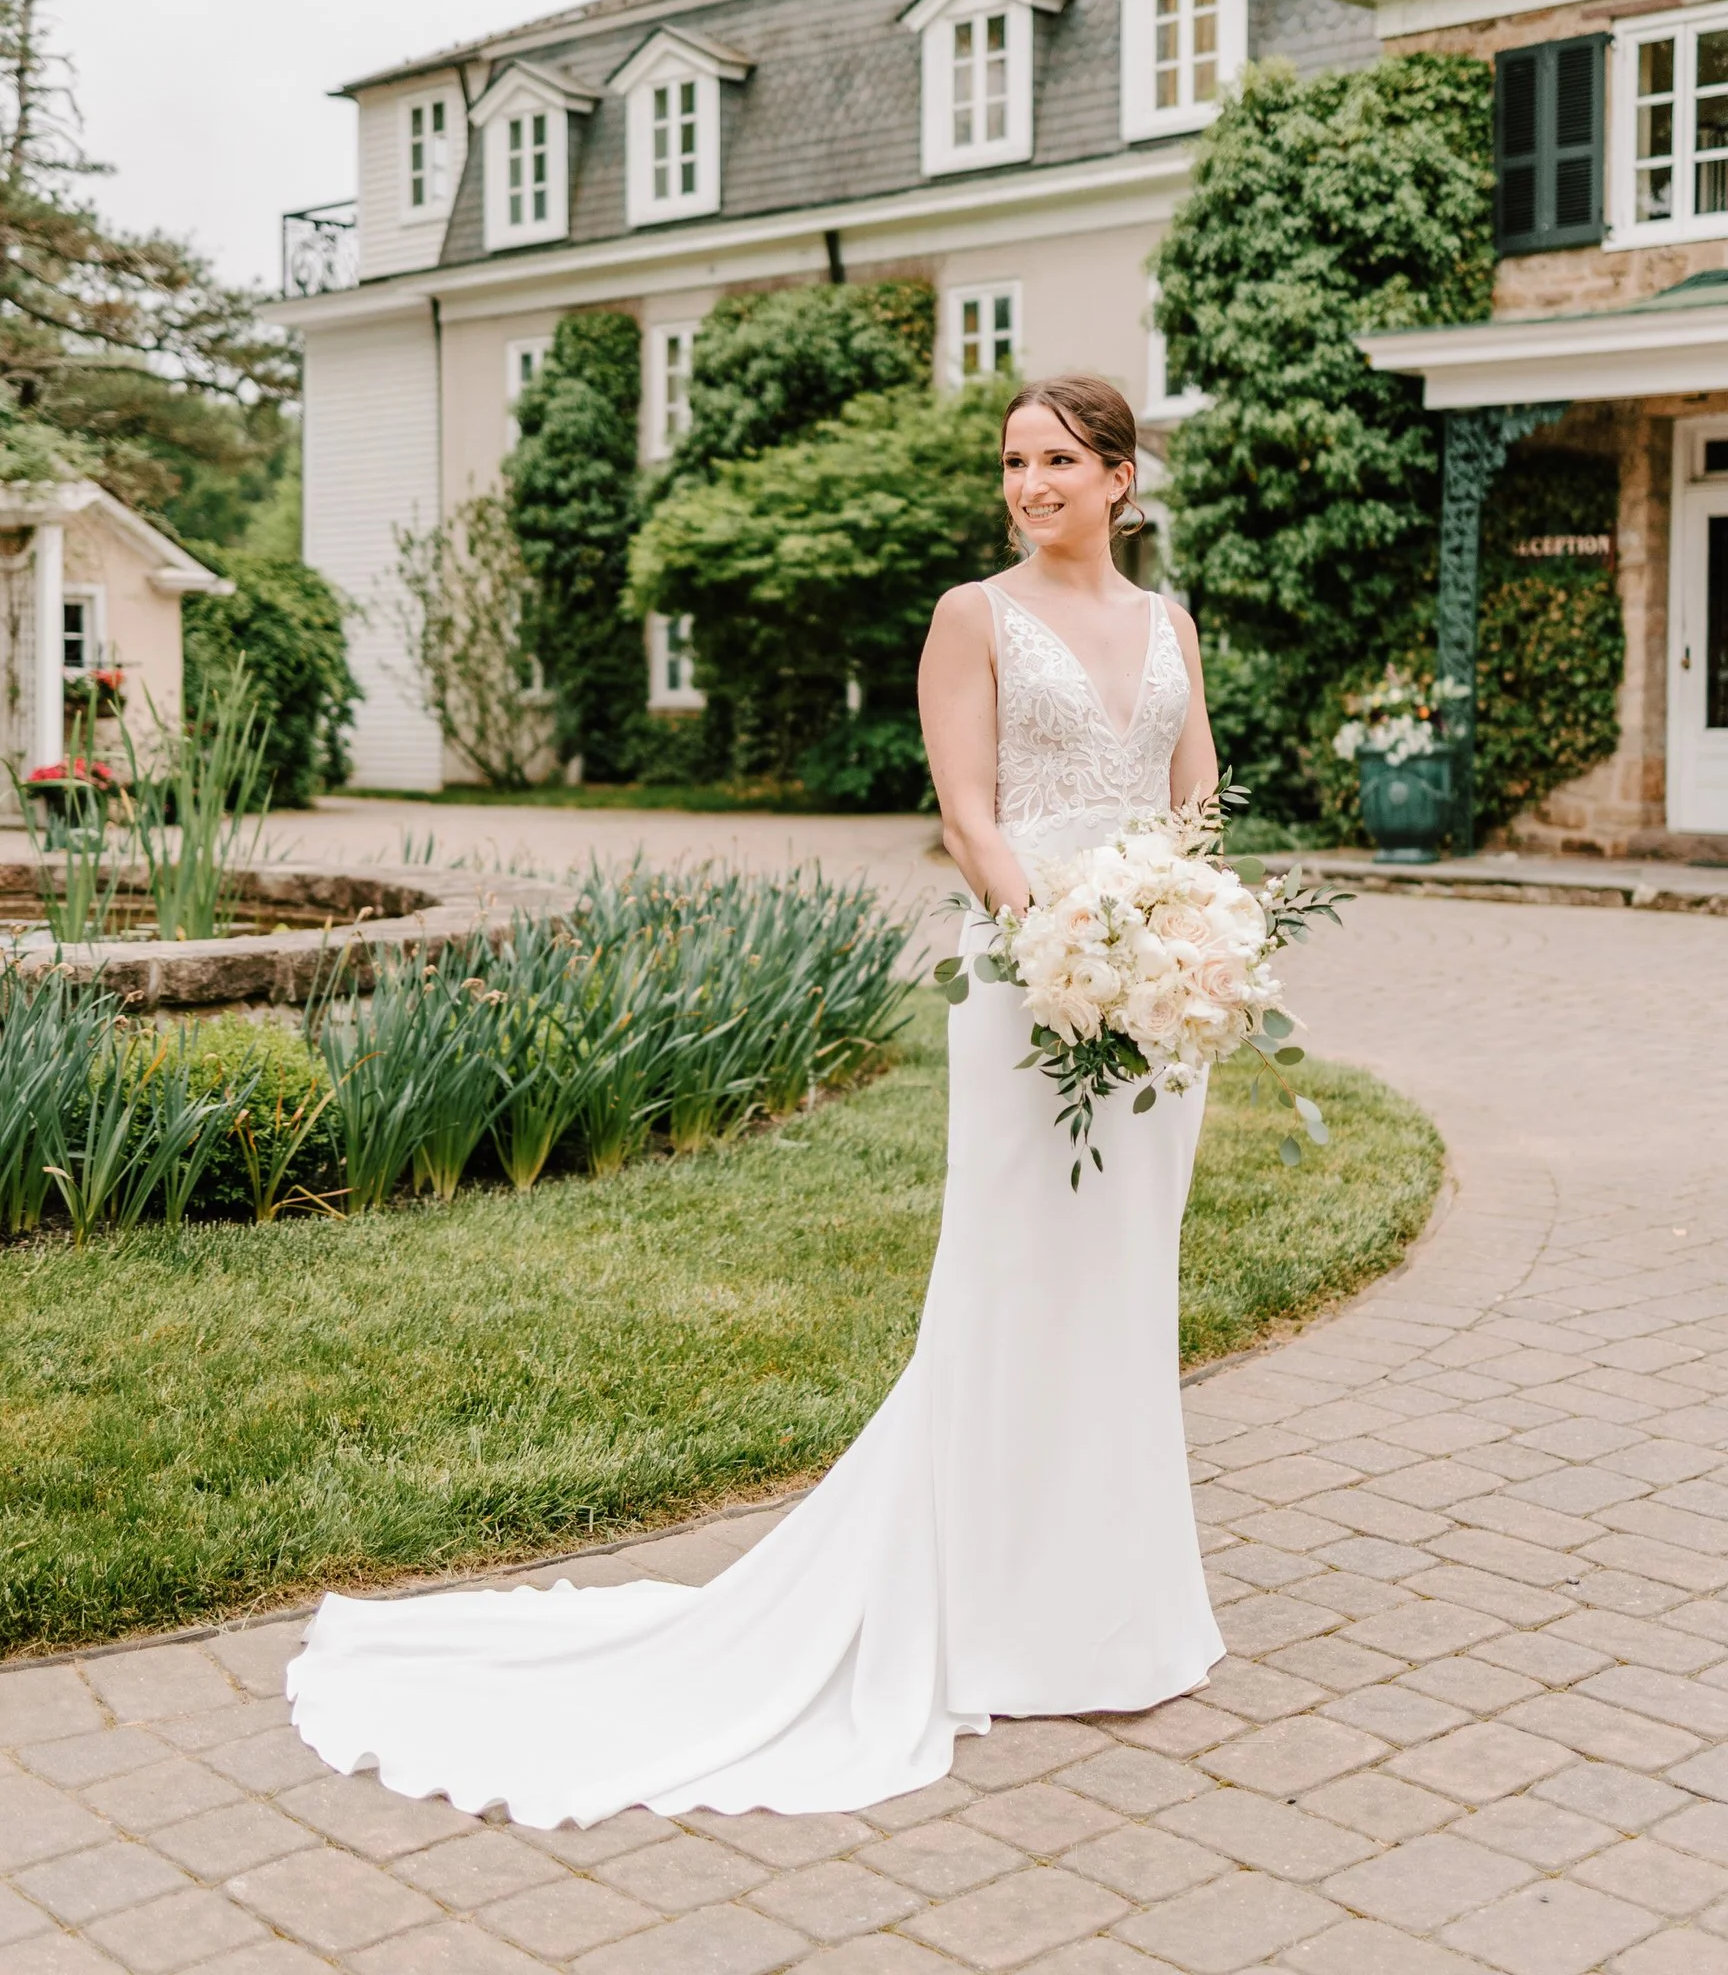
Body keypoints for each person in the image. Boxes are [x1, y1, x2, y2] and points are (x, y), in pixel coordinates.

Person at [286, 372, 1223, 1829]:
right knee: (1014, 1273)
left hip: (1159, 998)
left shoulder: (1171, 625)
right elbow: (968, 811)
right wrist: (1056, 939)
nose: (1027, 484)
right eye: (1011, 462)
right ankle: (991, 1610)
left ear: (1120, 478)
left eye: (1055, 460)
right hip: (1033, 975)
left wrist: (1185, 926)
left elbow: (1195, 797)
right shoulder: (972, 616)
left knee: (1124, 1284)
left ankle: (1115, 1606)